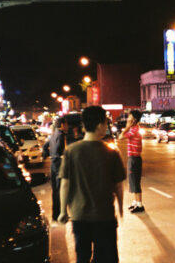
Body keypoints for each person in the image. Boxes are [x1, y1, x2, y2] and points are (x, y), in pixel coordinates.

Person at [58, 106, 126, 263]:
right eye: (106, 123)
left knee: (82, 257)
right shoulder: (112, 152)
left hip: (79, 217)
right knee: (107, 258)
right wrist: (121, 208)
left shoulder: (71, 151)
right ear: (100, 125)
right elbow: (118, 186)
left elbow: (65, 184)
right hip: (104, 217)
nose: (107, 127)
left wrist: (63, 211)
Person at [42, 117, 68, 222]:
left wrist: (47, 155)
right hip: (58, 165)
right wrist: (59, 156)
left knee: (55, 190)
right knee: (60, 190)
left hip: (53, 164)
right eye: (66, 124)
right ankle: (60, 214)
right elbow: (58, 149)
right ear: (62, 125)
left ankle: (55, 214)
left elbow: (45, 146)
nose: (67, 126)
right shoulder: (61, 135)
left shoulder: (53, 134)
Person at [121, 110, 145, 213]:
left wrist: (127, 127)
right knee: (133, 181)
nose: (128, 119)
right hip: (135, 158)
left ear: (134, 120)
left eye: (129, 117)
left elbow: (121, 136)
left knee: (135, 182)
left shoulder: (133, 130)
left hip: (134, 159)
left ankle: (139, 205)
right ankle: (136, 202)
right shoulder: (135, 129)